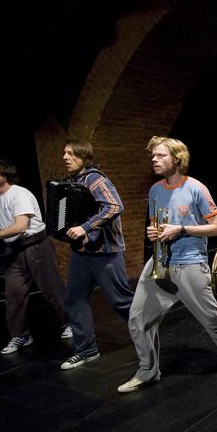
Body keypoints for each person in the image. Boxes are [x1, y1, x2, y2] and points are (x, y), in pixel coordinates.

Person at [117, 137, 217, 393]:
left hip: (189, 263)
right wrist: (154, 232)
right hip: (159, 262)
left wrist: (180, 228)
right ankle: (147, 370)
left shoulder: (196, 188)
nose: (154, 160)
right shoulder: (155, 190)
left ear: (177, 159)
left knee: (211, 318)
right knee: (138, 319)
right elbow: (156, 224)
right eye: (153, 156)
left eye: (161, 155)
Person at [0, 158, 71, 354]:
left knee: (52, 289)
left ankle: (71, 322)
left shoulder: (19, 194)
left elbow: (20, 226)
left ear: (4, 174)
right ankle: (21, 335)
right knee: (13, 292)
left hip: (35, 245)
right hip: (14, 249)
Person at [60, 139, 136, 370]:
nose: (65, 157)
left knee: (121, 301)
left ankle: (147, 334)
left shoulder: (95, 179)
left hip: (105, 252)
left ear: (84, 157)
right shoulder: (75, 182)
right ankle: (86, 350)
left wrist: (85, 227)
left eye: (71, 153)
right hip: (82, 252)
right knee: (74, 299)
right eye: (65, 153)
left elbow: (114, 206)